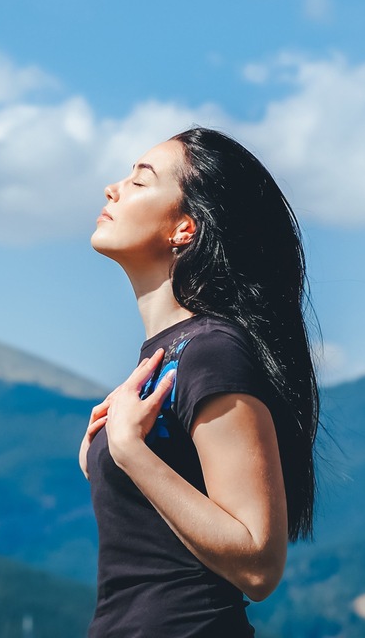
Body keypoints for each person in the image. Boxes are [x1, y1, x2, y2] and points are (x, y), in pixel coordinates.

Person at [78, 127, 319, 637]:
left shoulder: (212, 350)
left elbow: (259, 563)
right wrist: (102, 456)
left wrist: (129, 453)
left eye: (141, 182)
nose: (112, 188)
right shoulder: (168, 355)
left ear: (184, 228)